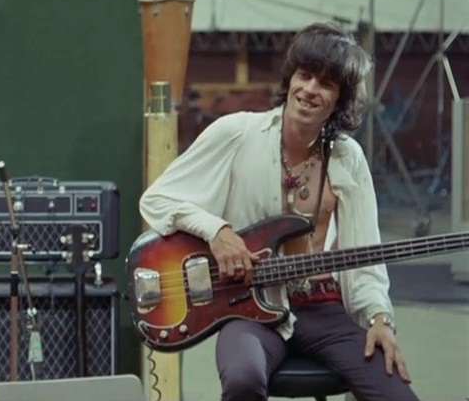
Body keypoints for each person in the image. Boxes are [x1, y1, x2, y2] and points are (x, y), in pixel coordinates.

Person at [139, 22, 419, 401]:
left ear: (340, 100)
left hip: (325, 308)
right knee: (242, 380)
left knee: (396, 393)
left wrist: (380, 319)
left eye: (326, 84)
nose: (310, 89)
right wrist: (216, 231)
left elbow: (365, 261)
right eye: (305, 75)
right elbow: (156, 200)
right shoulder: (237, 133)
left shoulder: (347, 157)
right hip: (249, 310)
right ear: (290, 80)